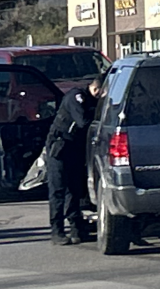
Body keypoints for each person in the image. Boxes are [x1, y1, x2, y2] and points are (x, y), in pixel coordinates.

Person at [45, 75, 105, 246]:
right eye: (101, 92)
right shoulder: (76, 97)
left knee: (74, 189)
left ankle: (76, 229)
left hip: (75, 149)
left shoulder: (92, 101)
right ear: (95, 88)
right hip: (60, 147)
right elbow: (83, 122)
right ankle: (57, 230)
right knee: (58, 189)